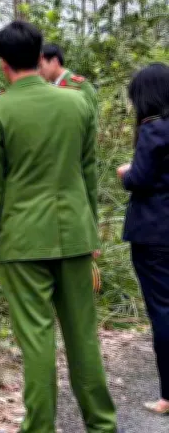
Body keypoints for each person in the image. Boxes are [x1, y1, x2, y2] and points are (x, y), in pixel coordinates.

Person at [0, 21, 117, 433]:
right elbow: (87, 173)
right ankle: (102, 425)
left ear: (2, 64)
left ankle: (39, 427)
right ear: (40, 58)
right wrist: (91, 232)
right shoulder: (78, 103)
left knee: (37, 340)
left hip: (21, 241)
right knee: (83, 335)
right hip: (75, 235)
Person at [117, 63, 169, 416]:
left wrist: (126, 172)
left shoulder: (153, 129)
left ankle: (168, 395)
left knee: (163, 310)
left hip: (155, 232)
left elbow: (140, 179)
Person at [40, 43, 98, 110]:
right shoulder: (47, 87)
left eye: (40, 66)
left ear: (54, 61)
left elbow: (91, 113)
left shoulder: (80, 86)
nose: (38, 71)